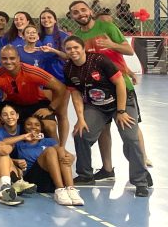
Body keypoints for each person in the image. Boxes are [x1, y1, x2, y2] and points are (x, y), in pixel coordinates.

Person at [63, 36, 150, 197]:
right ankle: (85, 175)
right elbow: (75, 95)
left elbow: (120, 83)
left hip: (121, 102)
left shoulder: (99, 60)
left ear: (83, 48)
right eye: (69, 49)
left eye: (76, 47)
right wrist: (80, 119)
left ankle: (141, 180)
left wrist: (121, 111)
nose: (73, 51)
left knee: (130, 138)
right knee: (81, 134)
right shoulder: (68, 68)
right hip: (96, 105)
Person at [0, 46, 67, 144]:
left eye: (12, 58)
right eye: (4, 59)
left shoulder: (32, 71)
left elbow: (60, 87)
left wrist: (50, 109)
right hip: (14, 105)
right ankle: (5, 150)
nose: (8, 62)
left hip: (37, 103)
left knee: (50, 127)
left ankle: (58, 150)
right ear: (0, 59)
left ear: (18, 58)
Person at [13, 114, 82, 206]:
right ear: (24, 127)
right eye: (29, 124)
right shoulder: (19, 143)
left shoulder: (49, 141)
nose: (33, 127)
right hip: (33, 180)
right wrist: (16, 161)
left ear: (41, 128)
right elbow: (8, 158)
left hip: (51, 177)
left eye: (37, 125)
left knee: (60, 150)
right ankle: (60, 189)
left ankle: (71, 189)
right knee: (50, 150)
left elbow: (66, 154)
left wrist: (71, 157)